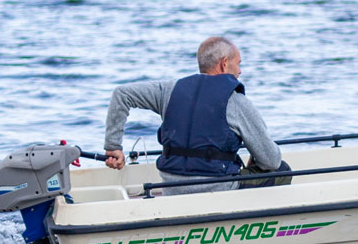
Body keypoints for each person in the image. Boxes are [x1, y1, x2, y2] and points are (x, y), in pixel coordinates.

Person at [103, 36, 289, 195]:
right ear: (224, 63)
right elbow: (271, 160)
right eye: (238, 64)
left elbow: (122, 94)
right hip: (218, 188)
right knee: (282, 170)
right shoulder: (236, 101)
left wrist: (113, 146)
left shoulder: (169, 90)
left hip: (171, 187)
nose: (240, 71)